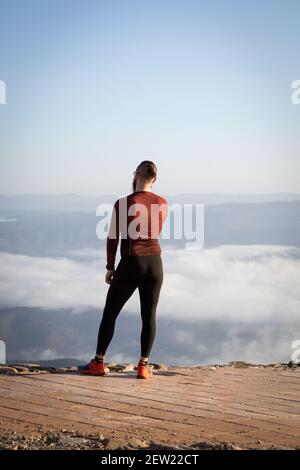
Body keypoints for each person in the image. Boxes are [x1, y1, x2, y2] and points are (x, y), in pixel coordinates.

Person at [79, 161, 168, 379]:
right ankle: (143, 366)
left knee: (110, 313)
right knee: (149, 316)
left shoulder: (123, 203)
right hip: (155, 263)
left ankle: (98, 363)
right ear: (155, 179)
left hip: (132, 262)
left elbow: (113, 237)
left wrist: (110, 266)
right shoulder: (163, 203)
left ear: (135, 175)